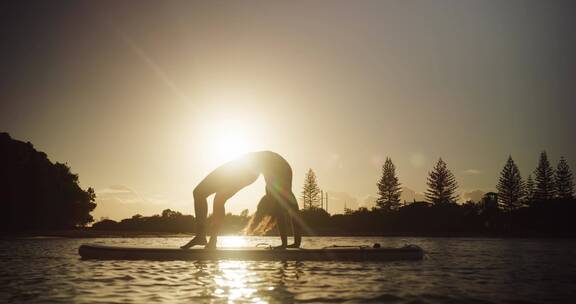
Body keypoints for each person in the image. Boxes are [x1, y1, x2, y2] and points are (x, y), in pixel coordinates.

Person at [181, 151, 302, 249]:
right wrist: (291, 244)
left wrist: (290, 244)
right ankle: (208, 240)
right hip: (245, 168)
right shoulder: (274, 178)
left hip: (245, 169)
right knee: (215, 198)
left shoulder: (274, 180)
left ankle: (205, 238)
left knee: (201, 193)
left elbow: (284, 209)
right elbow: (285, 209)